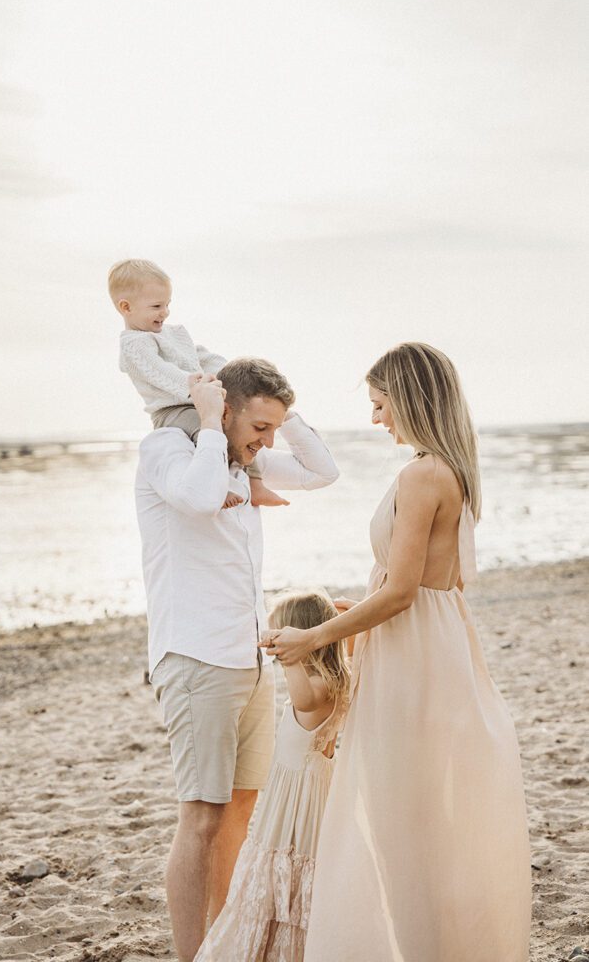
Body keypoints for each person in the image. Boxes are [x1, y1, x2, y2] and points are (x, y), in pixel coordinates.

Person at [260, 342, 531, 962]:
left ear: (408, 399)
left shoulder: (423, 474)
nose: (377, 418)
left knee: (398, 809)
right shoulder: (448, 471)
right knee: (418, 807)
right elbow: (393, 584)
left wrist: (314, 638)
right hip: (430, 647)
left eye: (381, 404)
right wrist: (348, 656)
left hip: (415, 653)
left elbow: (402, 591)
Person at [135, 357, 339, 962]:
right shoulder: (168, 449)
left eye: (274, 429)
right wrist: (206, 420)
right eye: (260, 426)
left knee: (242, 809)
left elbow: (321, 471)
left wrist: (283, 410)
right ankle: (191, 955)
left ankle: (221, 944)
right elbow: (198, 501)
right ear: (222, 410)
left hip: (249, 658)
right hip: (196, 657)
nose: (267, 442)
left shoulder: (239, 457)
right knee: (202, 815)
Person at [195, 588, 350, 962]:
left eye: (280, 635)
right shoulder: (340, 680)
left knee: (281, 863)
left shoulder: (315, 688)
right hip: (309, 791)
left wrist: (290, 659)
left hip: (295, 800)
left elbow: (301, 701)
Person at [109, 257, 287, 508]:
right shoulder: (134, 346)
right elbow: (159, 373)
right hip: (173, 409)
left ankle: (255, 483)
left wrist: (237, 377)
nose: (165, 312)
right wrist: (198, 388)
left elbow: (202, 356)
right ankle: (218, 485)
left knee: (238, 425)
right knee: (207, 431)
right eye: (157, 306)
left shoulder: (173, 333)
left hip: (202, 398)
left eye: (168, 304)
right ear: (126, 307)